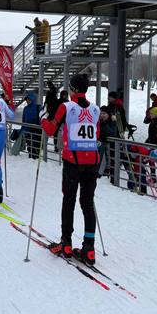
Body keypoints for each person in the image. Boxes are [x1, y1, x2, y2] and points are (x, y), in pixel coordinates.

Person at [41, 73, 101, 265]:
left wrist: (42, 117)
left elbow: (51, 129)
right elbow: (97, 135)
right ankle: (89, 248)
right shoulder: (95, 109)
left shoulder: (66, 107)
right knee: (87, 203)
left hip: (72, 162)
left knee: (69, 200)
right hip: (92, 162)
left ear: (73, 89)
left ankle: (66, 243)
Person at [98, 105, 117, 177]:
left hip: (108, 147)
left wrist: (105, 123)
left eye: (104, 113)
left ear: (108, 114)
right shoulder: (98, 122)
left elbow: (112, 133)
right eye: (100, 113)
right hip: (100, 147)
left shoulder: (111, 122)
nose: (102, 115)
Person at [21, 92, 41, 159]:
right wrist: (23, 128)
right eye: (27, 100)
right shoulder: (25, 108)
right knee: (29, 146)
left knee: (36, 145)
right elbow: (24, 119)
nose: (28, 101)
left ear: (33, 99)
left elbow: (42, 118)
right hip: (28, 130)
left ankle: (35, 158)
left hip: (36, 131)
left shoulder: (38, 107)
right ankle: (31, 157)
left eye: (29, 99)